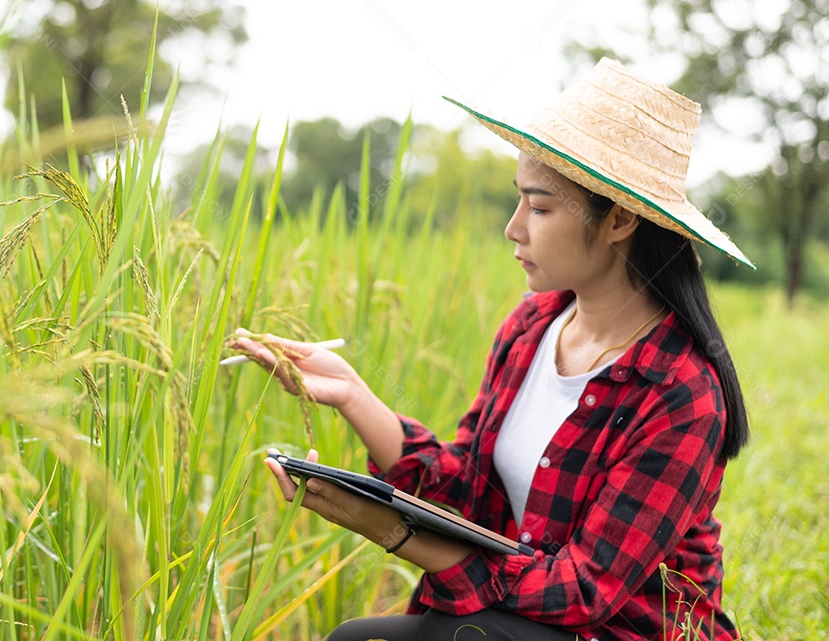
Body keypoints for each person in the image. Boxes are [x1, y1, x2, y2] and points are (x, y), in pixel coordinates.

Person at [229, 58, 753, 641]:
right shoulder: (532, 328)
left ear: (620, 220)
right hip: (518, 617)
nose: (514, 227)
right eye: (518, 201)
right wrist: (351, 393)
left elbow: (585, 590)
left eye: (540, 207)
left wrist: (399, 535)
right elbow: (467, 479)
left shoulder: (681, 391)